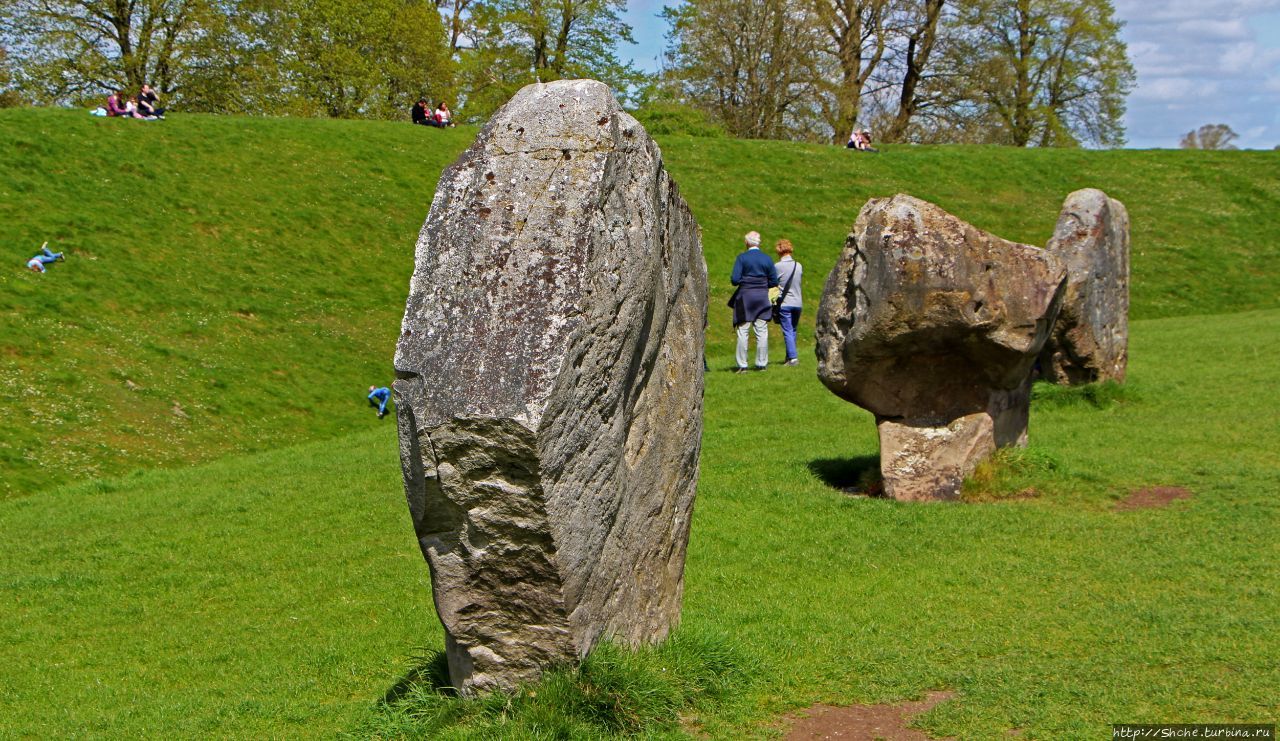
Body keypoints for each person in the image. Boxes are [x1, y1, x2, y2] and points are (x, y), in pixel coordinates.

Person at [729, 230, 779, 373]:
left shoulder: (742, 258)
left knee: (743, 331)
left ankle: (742, 365)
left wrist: (746, 280)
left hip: (745, 297)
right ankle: (762, 363)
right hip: (762, 297)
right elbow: (774, 281)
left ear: (746, 243)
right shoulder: (767, 259)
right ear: (759, 243)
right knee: (762, 331)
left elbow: (734, 280)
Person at [773, 239, 803, 366]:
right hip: (798, 302)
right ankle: (789, 356)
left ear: (779, 251)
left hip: (785, 303)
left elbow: (774, 283)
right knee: (793, 330)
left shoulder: (778, 266)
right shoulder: (799, 265)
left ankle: (793, 358)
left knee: (787, 330)